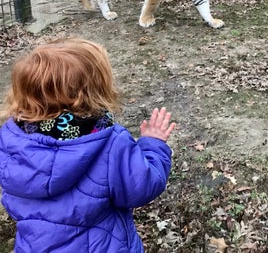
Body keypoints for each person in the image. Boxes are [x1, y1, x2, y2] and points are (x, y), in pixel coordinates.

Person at [0, 38, 176, 253]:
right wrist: (153, 144)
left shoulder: (11, 140)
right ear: (94, 91)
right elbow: (142, 187)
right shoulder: (109, 142)